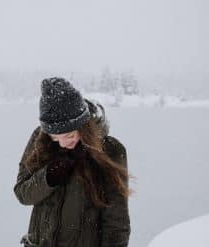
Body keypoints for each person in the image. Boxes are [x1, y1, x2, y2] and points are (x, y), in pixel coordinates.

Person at [13, 77, 131, 247]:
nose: (62, 143)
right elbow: (22, 193)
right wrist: (48, 177)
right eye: (55, 137)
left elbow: (116, 224)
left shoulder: (110, 151)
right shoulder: (40, 139)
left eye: (69, 135)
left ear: (84, 126)